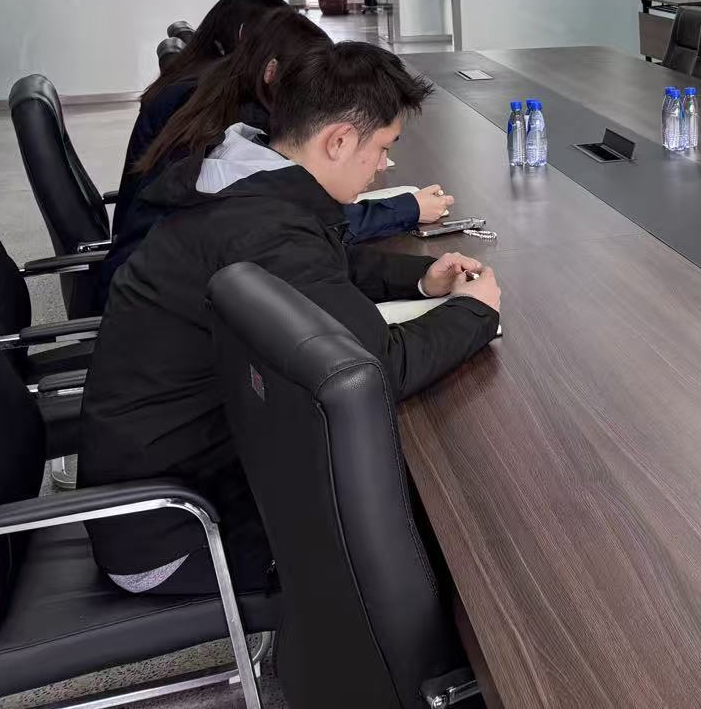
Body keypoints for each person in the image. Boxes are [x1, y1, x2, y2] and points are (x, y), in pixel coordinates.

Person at [79, 40, 502, 596]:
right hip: (179, 531)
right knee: (433, 542)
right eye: (382, 148)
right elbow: (372, 369)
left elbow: (325, 264)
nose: (384, 166)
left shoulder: (251, 183)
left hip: (182, 479)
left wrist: (423, 279)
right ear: (339, 141)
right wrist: (476, 312)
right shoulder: (263, 228)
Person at [98, 9, 451, 302]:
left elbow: (316, 246)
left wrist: (419, 277)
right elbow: (302, 233)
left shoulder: (231, 127)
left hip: (141, 291)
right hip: (156, 322)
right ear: (273, 71)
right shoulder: (246, 149)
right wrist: (471, 305)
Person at [110, 0, 289, 246]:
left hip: (147, 236)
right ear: (246, 37)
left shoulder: (197, 79)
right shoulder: (205, 100)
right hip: (154, 248)